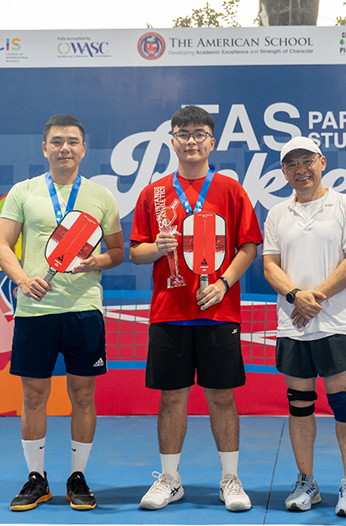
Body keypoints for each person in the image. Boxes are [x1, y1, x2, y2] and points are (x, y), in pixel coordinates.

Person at [129, 105, 262, 513]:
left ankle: (231, 479)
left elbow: (249, 246)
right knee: (172, 398)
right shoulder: (153, 193)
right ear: (172, 140)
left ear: (212, 141)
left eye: (199, 133)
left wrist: (223, 284)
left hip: (218, 312)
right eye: (183, 133)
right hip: (170, 311)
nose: (191, 140)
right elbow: (136, 252)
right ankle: (170, 479)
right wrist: (158, 247)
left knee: (222, 397)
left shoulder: (230, 190)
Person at [0, 114, 125, 511]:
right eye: (57, 141)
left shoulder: (101, 197)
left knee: (83, 394)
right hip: (35, 312)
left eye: (72, 141)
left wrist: (96, 261)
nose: (64, 147)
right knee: (34, 395)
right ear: (45, 148)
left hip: (83, 310)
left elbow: (118, 252)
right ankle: (37, 478)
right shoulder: (23, 191)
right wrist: (21, 278)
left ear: (84, 149)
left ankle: (78, 477)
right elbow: (2, 246)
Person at [263, 137, 346, 517]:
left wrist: (314, 298)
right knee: (300, 404)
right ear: (283, 171)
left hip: (335, 322)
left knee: (343, 400)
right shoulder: (277, 213)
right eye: (291, 164)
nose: (300, 169)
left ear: (322, 162)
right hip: (293, 324)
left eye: (307, 160)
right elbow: (270, 265)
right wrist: (295, 295)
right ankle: (306, 481)